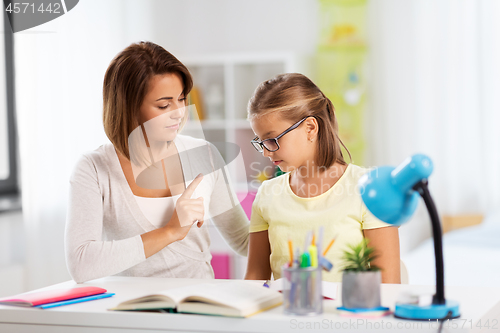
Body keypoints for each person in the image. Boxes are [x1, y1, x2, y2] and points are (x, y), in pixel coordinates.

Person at [65, 41, 249, 283]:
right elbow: (81, 264)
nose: (179, 113)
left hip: (200, 307)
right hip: (130, 312)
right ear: (128, 107)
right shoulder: (94, 169)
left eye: (182, 99)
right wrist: (170, 231)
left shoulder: (204, 154)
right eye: (164, 105)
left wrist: (292, 212)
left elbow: (243, 241)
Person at [244, 73, 401, 283]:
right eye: (261, 142)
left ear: (310, 128)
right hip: (285, 313)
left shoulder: (370, 189)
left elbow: (389, 286)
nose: (266, 152)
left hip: (350, 315)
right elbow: (255, 277)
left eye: (272, 140)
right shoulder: (266, 194)